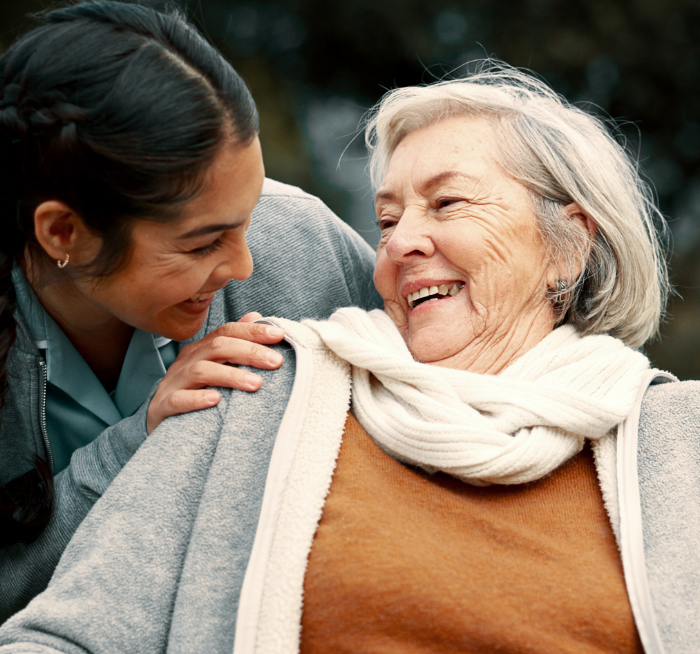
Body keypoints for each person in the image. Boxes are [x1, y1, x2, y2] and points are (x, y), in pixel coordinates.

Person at [1, 66, 698, 654]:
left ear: (569, 247)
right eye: (387, 220)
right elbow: (66, 638)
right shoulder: (258, 387)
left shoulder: (678, 438)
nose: (397, 245)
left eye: (447, 202)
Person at [0, 0, 382, 622]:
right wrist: (137, 443)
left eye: (252, 214)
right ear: (62, 232)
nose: (244, 267)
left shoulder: (304, 244)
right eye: (203, 243)